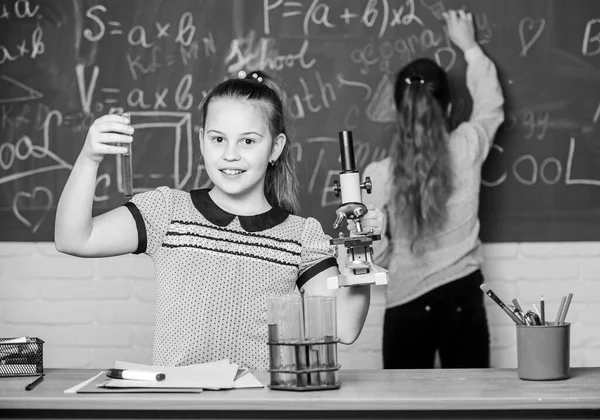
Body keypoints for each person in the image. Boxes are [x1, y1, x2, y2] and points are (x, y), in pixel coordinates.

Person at [54, 70, 383, 370]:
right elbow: (73, 239)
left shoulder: (302, 236)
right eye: (218, 139)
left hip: (260, 407)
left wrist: (361, 258)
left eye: (249, 141)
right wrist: (89, 158)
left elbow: (345, 327)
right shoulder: (168, 211)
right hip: (181, 407)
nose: (230, 154)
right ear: (201, 141)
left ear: (275, 148)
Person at [360, 10, 505, 369]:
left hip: (405, 307)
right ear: (451, 106)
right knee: (472, 409)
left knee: (405, 412)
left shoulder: (378, 177)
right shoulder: (468, 146)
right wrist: (469, 46)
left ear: (398, 110)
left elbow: (373, 258)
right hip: (462, 299)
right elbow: (491, 107)